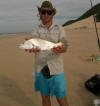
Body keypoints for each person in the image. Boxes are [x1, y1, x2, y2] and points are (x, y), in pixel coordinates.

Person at [26, 1, 69, 106]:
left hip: (57, 70)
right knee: (45, 98)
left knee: (62, 99)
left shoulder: (60, 29)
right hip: (40, 69)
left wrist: (61, 49)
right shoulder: (35, 30)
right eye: (43, 12)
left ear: (52, 13)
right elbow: (33, 42)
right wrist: (31, 47)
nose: (46, 14)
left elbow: (65, 45)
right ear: (40, 13)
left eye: (48, 12)